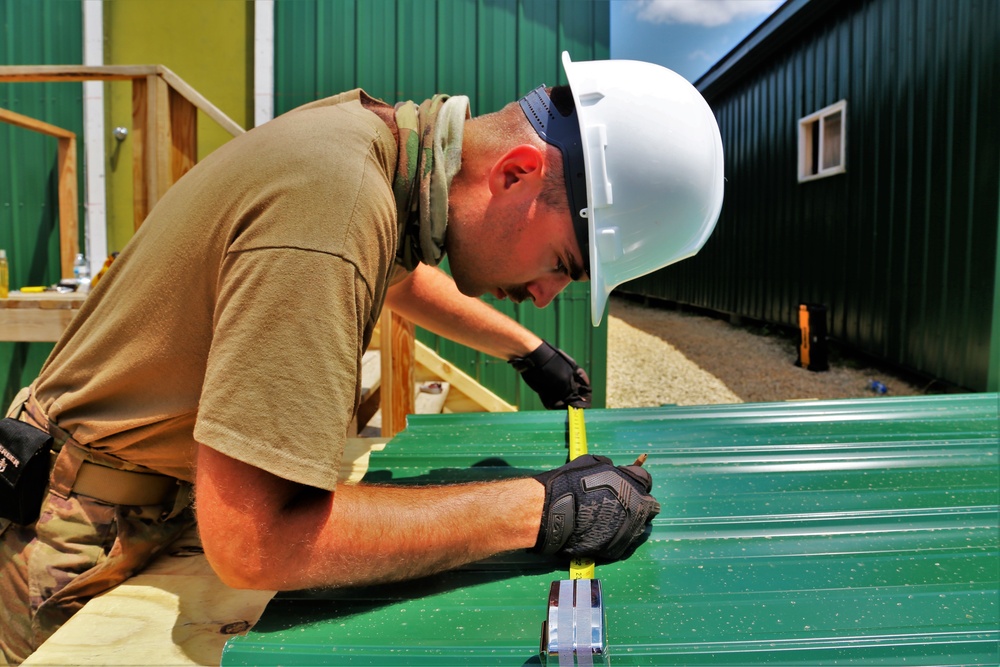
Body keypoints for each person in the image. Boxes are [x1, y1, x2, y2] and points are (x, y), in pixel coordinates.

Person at [0, 52, 723, 663]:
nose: (543, 295)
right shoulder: (337, 202)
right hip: (76, 538)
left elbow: (400, 279)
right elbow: (253, 539)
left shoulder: (372, 148)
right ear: (517, 173)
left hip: (138, 497)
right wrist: (536, 507)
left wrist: (525, 350)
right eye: (563, 264)